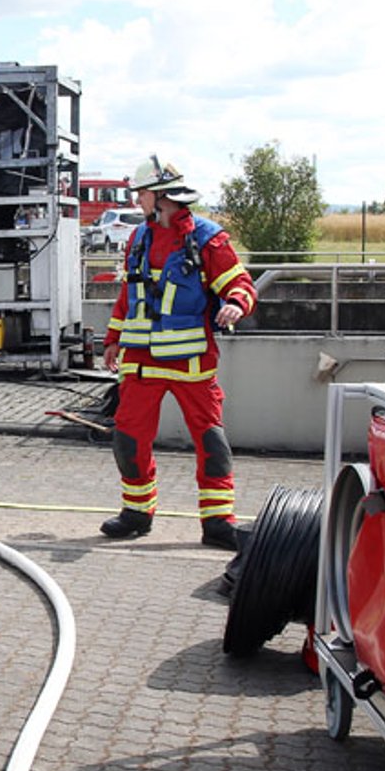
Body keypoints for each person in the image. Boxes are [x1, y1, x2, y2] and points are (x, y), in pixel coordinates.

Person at [100, 156, 258, 550]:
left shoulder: (208, 238)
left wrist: (236, 303)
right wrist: (112, 340)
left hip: (192, 366)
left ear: (162, 196)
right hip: (139, 363)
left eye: (142, 194)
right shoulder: (139, 238)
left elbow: (239, 282)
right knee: (129, 439)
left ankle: (218, 522)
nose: (138, 202)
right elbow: (129, 295)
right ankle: (137, 513)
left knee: (211, 442)